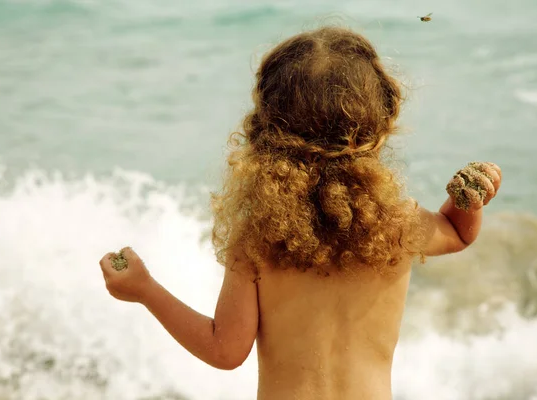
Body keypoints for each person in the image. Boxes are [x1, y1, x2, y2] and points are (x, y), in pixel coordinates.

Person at [98, 26, 502, 400]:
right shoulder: (396, 224)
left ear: (266, 129)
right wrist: (469, 199)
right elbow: (457, 232)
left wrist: (145, 289)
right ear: (380, 123)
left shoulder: (258, 240)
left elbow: (225, 350)